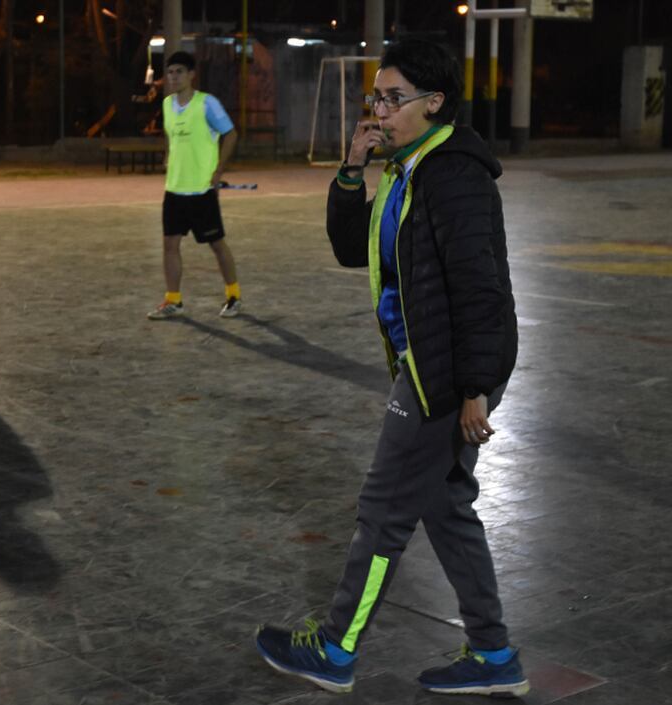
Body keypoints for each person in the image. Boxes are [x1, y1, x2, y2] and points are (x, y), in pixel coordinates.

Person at [255, 39, 526, 698]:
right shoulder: (408, 167)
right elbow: (353, 251)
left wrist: (472, 392)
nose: (378, 110)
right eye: (374, 97)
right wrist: (351, 169)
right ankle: (493, 656)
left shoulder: (451, 174)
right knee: (446, 506)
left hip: (443, 373)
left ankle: (336, 646)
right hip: (431, 361)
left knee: (382, 511)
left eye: (392, 98)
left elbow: (478, 289)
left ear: (433, 104)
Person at [148, 51, 242, 320]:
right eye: (170, 72)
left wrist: (218, 170)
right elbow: (170, 135)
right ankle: (173, 300)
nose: (173, 77)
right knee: (170, 245)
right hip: (174, 190)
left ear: (191, 75)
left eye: (179, 71)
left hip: (201, 191)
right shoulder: (166, 105)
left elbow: (231, 134)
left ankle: (234, 295)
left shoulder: (206, 104)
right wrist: (168, 155)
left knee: (217, 244)